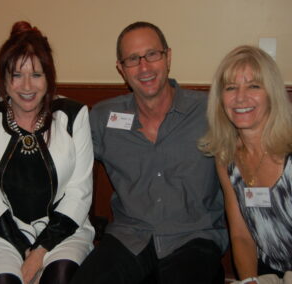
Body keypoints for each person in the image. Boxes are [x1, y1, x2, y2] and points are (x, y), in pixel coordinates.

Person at [70, 21, 228, 284]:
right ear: (121, 69)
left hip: (194, 238)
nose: (144, 67)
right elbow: (64, 163)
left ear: (168, 57)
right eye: (133, 59)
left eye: (152, 54)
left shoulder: (209, 112)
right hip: (128, 237)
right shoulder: (101, 117)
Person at [0, 21, 94, 284]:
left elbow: (79, 192)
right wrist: (24, 250)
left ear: (49, 78)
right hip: (0, 232)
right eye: (16, 75)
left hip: (64, 232)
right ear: (4, 79)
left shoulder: (73, 115)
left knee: (59, 276)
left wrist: (40, 252)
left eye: (36, 75)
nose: (27, 86)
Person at [199, 45, 292, 284]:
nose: (240, 97)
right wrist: (251, 280)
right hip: (268, 272)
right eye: (231, 88)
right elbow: (241, 235)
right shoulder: (225, 157)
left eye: (253, 86)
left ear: (272, 93)